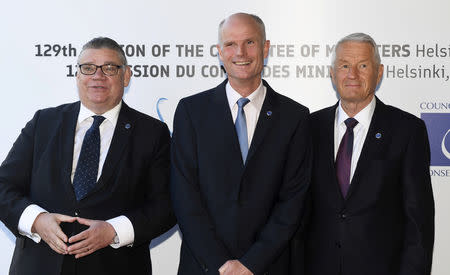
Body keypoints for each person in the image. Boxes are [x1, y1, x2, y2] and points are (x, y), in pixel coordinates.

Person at [0, 37, 176, 275]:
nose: (98, 76)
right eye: (88, 68)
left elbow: (167, 205)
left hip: (115, 267)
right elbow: (4, 186)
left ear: (126, 76)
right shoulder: (44, 122)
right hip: (39, 266)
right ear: (78, 76)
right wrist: (36, 220)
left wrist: (114, 231)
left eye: (110, 68)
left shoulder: (152, 133)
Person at [171, 13, 311, 275]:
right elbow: (184, 196)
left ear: (266, 48)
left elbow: (292, 202)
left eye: (250, 42)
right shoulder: (191, 111)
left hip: (269, 266)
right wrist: (221, 264)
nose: (241, 52)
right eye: (230, 44)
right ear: (219, 52)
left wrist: (251, 264)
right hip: (204, 267)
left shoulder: (295, 117)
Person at [303, 33, 435, 275]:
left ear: (379, 72)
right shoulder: (309, 128)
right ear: (332, 73)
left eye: (362, 65)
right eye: (344, 65)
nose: (352, 74)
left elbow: (419, 223)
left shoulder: (407, 131)